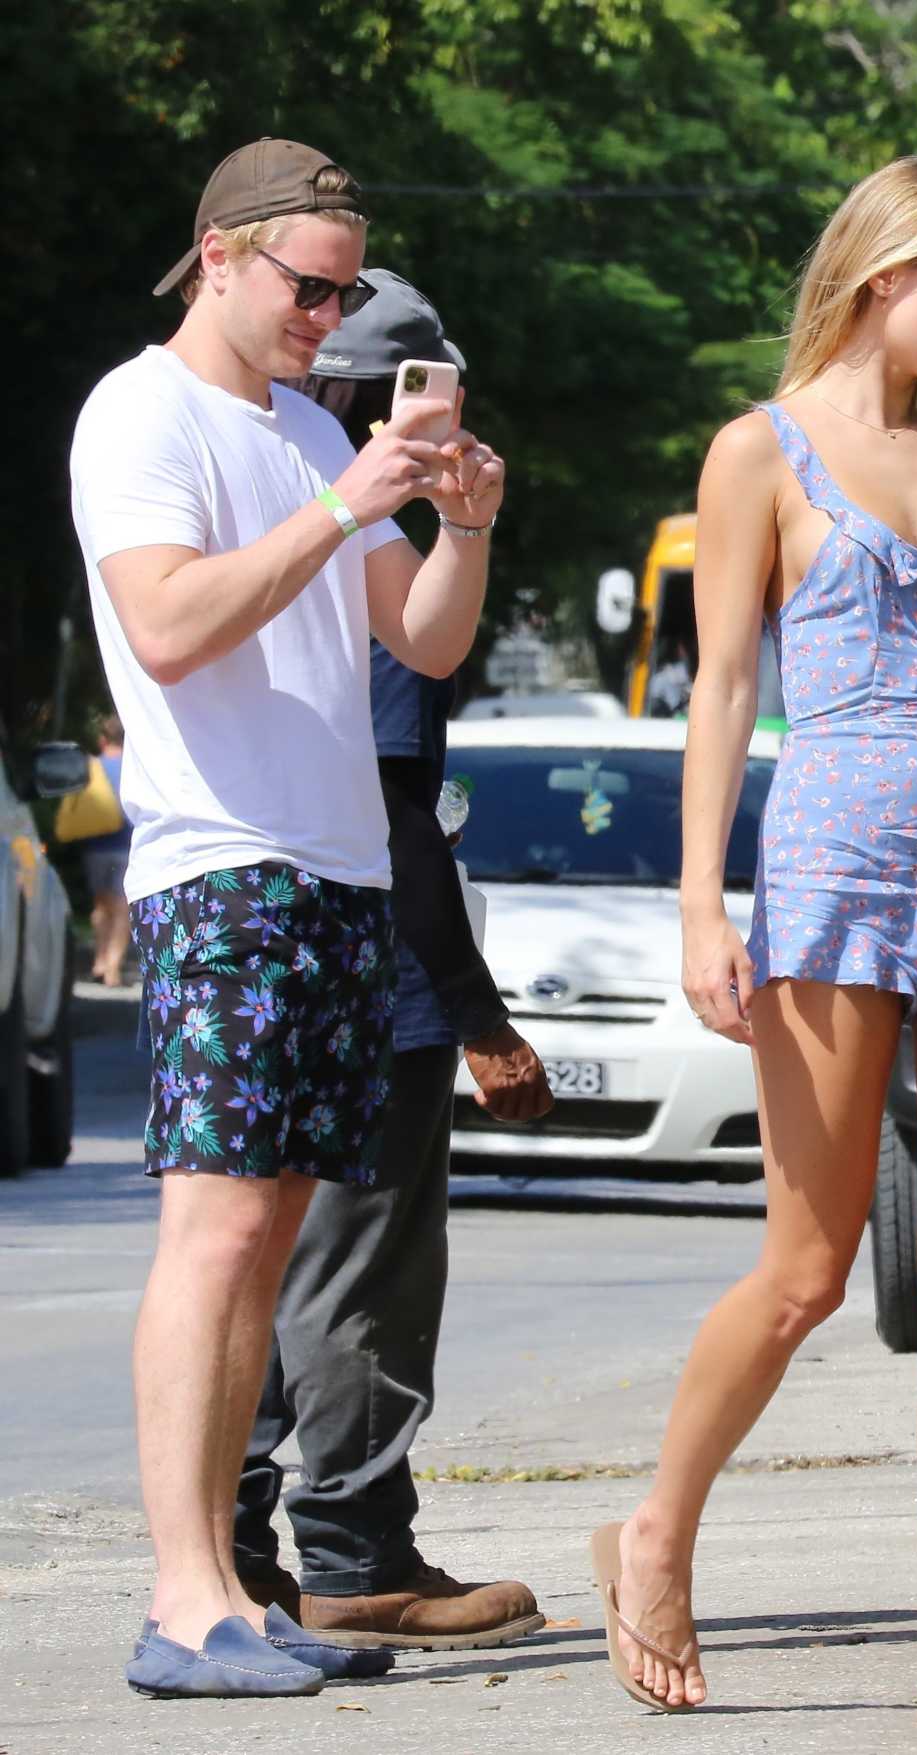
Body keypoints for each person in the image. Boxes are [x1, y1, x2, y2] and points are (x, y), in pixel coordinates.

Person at [590, 154, 917, 1722]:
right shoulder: (760, 452)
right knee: (808, 1268)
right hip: (833, 873)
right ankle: (657, 1530)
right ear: (890, 268)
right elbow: (726, 694)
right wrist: (700, 904)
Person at [69, 137, 504, 1699]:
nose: (331, 314)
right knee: (217, 1225)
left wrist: (459, 519)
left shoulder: (305, 429)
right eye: (311, 285)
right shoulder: (144, 410)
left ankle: (236, 1594)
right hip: (228, 866)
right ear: (221, 255)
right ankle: (189, 1595)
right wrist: (344, 502)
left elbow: (427, 642)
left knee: (268, 1244)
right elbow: (172, 626)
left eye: (349, 289)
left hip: (335, 872)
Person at [233, 270, 553, 1649]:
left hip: (281, 953)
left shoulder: (276, 516)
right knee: (359, 1279)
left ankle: (240, 1549)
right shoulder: (368, 563)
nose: (444, 420)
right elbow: (401, 816)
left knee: (259, 1268)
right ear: (366, 403)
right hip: (374, 977)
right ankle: (356, 1548)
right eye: (423, 393)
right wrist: (482, 1020)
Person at [80, 715, 133, 986]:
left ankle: (99, 959)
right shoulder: (135, 766)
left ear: (102, 739)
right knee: (122, 908)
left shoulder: (92, 767)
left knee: (101, 905)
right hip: (126, 845)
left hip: (96, 846)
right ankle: (113, 966)